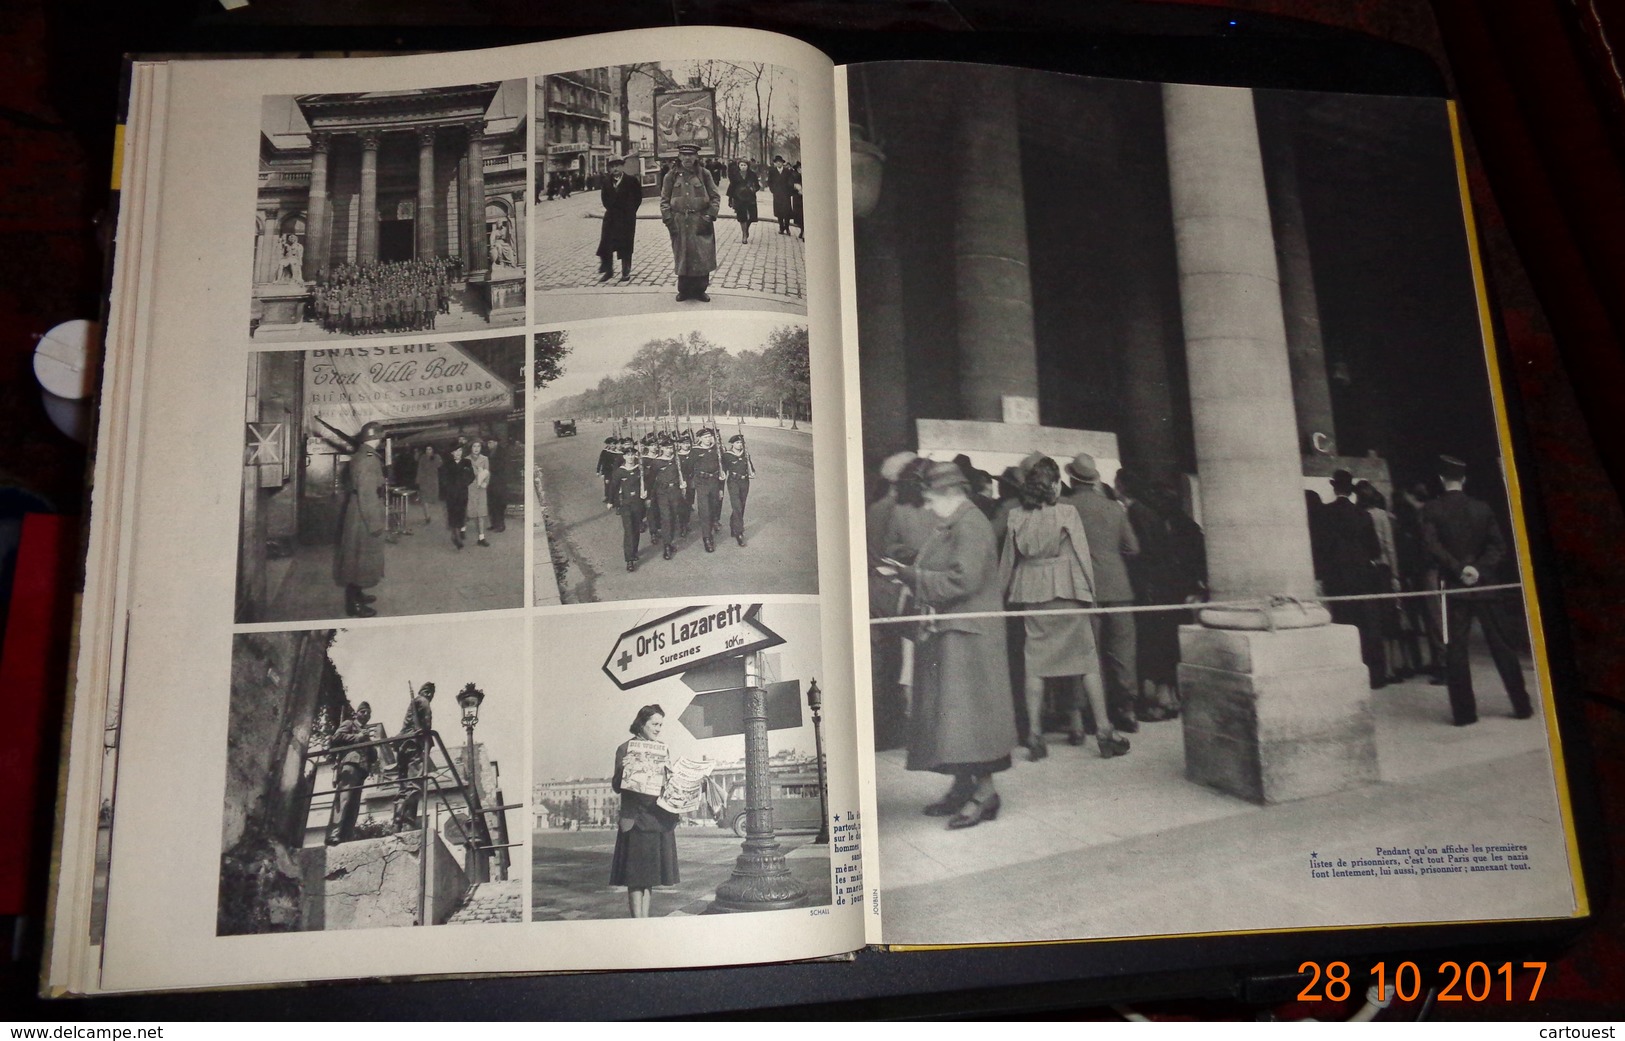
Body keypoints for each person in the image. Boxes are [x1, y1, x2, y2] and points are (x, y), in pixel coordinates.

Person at [874, 461, 1018, 830]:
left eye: (929, 498)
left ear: (949, 493)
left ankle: (985, 794)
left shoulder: (970, 524)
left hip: (968, 637)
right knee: (956, 719)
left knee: (972, 717)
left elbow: (962, 580)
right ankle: (963, 785)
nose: (926, 505)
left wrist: (909, 575)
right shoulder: (956, 522)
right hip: (956, 634)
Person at [1001, 456, 1127, 761]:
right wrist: (1092, 598)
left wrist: (1000, 598)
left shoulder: (1016, 516)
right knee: (1086, 662)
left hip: (1032, 593)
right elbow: (1082, 556)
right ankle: (1105, 731)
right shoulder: (1067, 512)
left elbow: (1007, 562)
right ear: (1056, 485)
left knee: (1036, 664)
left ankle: (1034, 736)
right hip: (1068, 593)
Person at [1421, 454, 1534, 725]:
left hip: (1455, 587)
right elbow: (1499, 547)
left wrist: (1460, 569)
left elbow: (1432, 547)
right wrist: (1478, 569)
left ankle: (1464, 714)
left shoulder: (1431, 509)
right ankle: (1522, 706)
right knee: (1503, 647)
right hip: (1486, 585)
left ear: (1440, 480)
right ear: (1464, 479)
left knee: (1456, 650)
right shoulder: (1482, 508)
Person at [1060, 453, 1142, 734]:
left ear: (1071, 478)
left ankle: (1083, 716)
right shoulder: (1115, 508)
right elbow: (1133, 548)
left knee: (1085, 652)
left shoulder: (1064, 506)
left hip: (1083, 588)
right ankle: (1127, 710)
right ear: (1094, 480)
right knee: (1122, 651)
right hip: (1118, 587)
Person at [610, 704, 682, 918]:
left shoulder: (662, 749)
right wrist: (624, 769)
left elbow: (668, 785)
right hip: (634, 820)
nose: (659, 729)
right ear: (642, 723)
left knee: (650, 878)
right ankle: (637, 923)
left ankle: (645, 921)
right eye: (655, 724)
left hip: (657, 818)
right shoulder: (625, 748)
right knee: (635, 878)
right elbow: (616, 786)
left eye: (661, 725)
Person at [1320, 469, 1386, 688]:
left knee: (1342, 624)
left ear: (1334, 487)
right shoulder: (1362, 515)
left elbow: (1322, 547)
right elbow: (1375, 550)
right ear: (1351, 490)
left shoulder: (1325, 513)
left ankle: (1348, 677)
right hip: (1363, 576)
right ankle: (1376, 676)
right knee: (1368, 626)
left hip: (1337, 577)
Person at [333, 422, 387, 618]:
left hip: (357, 510)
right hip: (363, 513)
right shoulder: (368, 459)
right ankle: (353, 605)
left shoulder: (362, 455)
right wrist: (375, 523)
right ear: (376, 438)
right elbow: (367, 494)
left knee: (355, 557)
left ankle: (357, 594)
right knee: (358, 558)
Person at [660, 144, 720, 303]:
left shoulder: (704, 174)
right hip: (679, 222)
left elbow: (715, 197)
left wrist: (709, 216)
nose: (687, 158)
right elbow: (664, 200)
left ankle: (701, 290)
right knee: (682, 255)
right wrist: (668, 220)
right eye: (684, 155)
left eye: (691, 155)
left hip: (700, 220)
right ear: (679, 156)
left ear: (696, 157)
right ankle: (684, 290)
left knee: (702, 255)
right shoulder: (671, 176)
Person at [324, 701, 377, 846]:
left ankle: (346, 836)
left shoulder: (365, 732)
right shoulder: (349, 724)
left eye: (368, 713)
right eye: (363, 711)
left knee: (354, 804)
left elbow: (373, 755)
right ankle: (334, 834)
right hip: (350, 764)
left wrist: (369, 743)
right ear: (356, 713)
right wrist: (357, 737)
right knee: (343, 799)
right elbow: (335, 738)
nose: (366, 715)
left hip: (361, 770)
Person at [390, 682, 436, 834]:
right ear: (423, 691)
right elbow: (427, 721)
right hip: (414, 744)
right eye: (428, 691)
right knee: (415, 784)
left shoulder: (413, 703)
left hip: (402, 744)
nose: (429, 695)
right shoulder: (423, 701)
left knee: (403, 786)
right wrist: (426, 734)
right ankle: (408, 821)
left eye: (431, 693)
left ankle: (397, 823)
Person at [597, 156, 642, 283]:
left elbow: (638, 198)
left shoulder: (631, 181)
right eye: (612, 166)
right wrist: (612, 210)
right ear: (609, 169)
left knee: (626, 244)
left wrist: (630, 211)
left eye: (617, 166)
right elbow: (604, 199)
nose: (615, 169)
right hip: (611, 218)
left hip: (626, 218)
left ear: (622, 166)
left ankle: (626, 271)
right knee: (606, 244)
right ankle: (608, 270)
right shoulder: (606, 182)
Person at [612, 440, 649, 571]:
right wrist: (613, 502)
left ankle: (634, 552)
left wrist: (646, 492)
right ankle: (629, 560)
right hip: (626, 504)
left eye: (632, 455)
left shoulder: (640, 469)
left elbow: (647, 482)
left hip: (638, 504)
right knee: (628, 531)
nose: (630, 457)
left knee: (636, 528)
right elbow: (613, 488)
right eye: (628, 455)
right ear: (624, 457)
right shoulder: (619, 472)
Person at [690, 428, 725, 552]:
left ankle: (711, 526)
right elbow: (688, 467)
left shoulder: (717, 450)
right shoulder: (695, 451)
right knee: (705, 511)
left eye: (710, 436)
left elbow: (722, 468)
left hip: (714, 482)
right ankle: (707, 538)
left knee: (713, 508)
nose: (708, 439)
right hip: (702, 483)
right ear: (699, 438)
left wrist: (721, 487)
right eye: (705, 437)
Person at [725, 433, 754, 547]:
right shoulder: (727, 455)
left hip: (744, 482)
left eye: (741, 442)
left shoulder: (745, 454)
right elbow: (722, 470)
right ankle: (739, 533)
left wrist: (752, 472)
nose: (740, 444)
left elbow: (750, 466)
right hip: (733, 482)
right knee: (736, 505)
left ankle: (734, 525)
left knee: (741, 505)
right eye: (737, 442)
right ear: (732, 444)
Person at [443, 442, 473, 550]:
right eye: (456, 451)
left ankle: (457, 533)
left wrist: (464, 483)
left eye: (460, 451)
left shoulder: (467, 462)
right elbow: (443, 478)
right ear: (452, 453)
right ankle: (456, 536)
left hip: (462, 493)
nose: (458, 453)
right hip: (451, 493)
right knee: (452, 514)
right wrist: (449, 487)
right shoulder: (447, 464)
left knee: (461, 513)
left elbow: (471, 476)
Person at [727, 158, 761, 242]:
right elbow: (731, 187)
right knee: (742, 217)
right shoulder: (735, 175)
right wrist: (730, 198)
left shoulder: (752, 175)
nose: (743, 167)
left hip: (750, 198)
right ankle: (744, 235)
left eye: (745, 165)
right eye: (741, 165)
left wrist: (753, 188)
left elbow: (757, 185)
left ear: (748, 166)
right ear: (738, 166)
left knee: (752, 216)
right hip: (739, 198)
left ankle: (746, 228)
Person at [466, 438, 492, 547]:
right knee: (469, 511)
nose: (476, 449)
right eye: (474, 446)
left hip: (481, 489)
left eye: (478, 446)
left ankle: (481, 537)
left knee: (481, 513)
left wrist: (485, 482)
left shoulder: (485, 459)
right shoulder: (466, 459)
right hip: (470, 488)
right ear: (471, 448)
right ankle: (462, 528)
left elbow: (488, 472)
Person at [768, 155, 796, 235]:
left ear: (782, 163)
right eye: (777, 163)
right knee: (779, 211)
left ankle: (787, 228)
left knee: (787, 212)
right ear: (775, 163)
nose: (779, 164)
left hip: (786, 194)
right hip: (777, 194)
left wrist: (789, 191)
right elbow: (769, 182)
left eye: (780, 162)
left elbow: (791, 181)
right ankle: (781, 227)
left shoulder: (787, 171)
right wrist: (773, 190)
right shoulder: (772, 171)